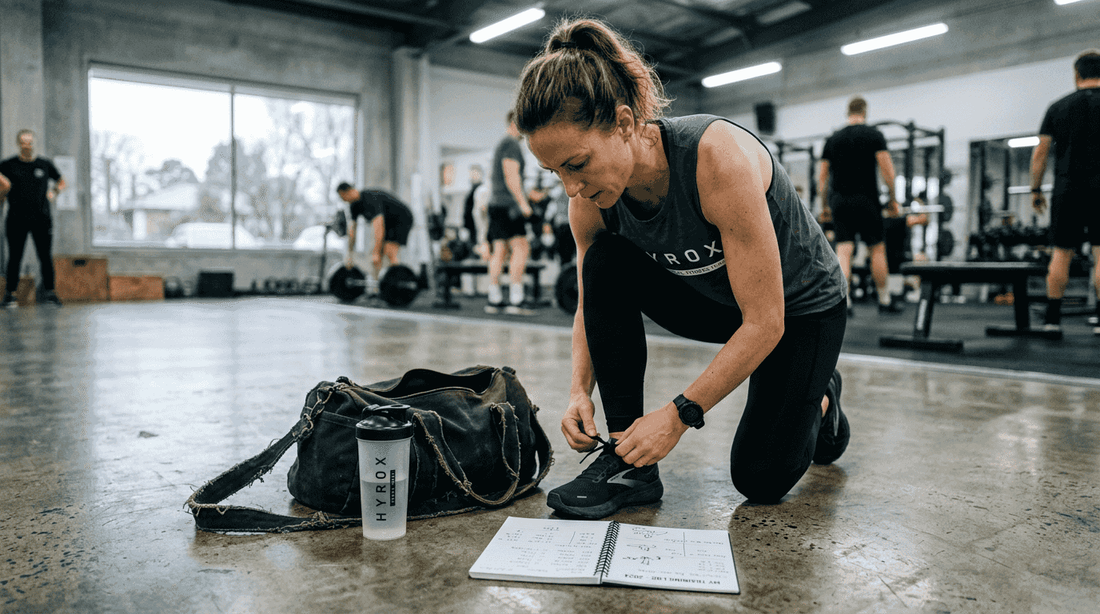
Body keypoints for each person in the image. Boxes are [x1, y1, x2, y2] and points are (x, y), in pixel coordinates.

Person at [513, 18, 849, 519]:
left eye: (577, 163)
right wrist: (578, 390)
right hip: (715, 301)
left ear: (625, 124)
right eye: (555, 170)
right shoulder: (589, 202)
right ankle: (630, 467)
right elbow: (592, 299)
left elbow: (766, 321)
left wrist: (677, 416)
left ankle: (821, 399)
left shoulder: (716, 158)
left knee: (759, 479)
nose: (569, 187)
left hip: (798, 311)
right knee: (603, 261)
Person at [1030, 49, 1100, 337]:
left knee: (1060, 254)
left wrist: (1035, 188)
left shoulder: (1057, 106)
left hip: (1067, 187)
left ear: (1076, 74)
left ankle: (1052, 319)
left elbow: (1041, 153)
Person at [819, 96, 903, 315]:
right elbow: (888, 172)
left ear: (847, 112)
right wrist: (893, 200)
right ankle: (884, 300)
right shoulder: (874, 135)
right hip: (868, 200)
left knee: (844, 250)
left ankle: (845, 302)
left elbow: (821, 179)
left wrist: (824, 205)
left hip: (840, 201)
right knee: (877, 248)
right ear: (865, 111)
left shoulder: (833, 139)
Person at [0, 129, 65, 307]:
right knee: (14, 257)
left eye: (29, 141)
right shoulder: (8, 165)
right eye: (23, 142)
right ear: (18, 143)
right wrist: (3, 189)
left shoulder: (44, 164)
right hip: (16, 219)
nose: (26, 145)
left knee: (45, 256)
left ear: (33, 143)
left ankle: (50, 293)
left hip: (41, 219)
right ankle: (10, 295)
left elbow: (61, 180)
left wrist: (54, 192)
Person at [485, 112, 539, 315]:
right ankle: (516, 300)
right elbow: (511, 177)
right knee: (521, 247)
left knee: (500, 251)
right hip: (508, 206)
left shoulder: (503, 144)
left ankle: (495, 299)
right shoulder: (511, 144)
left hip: (497, 204)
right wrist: (524, 206)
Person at [336, 183, 414, 280]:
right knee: (377, 256)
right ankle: (377, 288)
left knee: (389, 251)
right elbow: (352, 231)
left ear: (345, 192)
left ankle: (397, 284)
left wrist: (376, 251)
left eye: (341, 196)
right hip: (388, 223)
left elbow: (379, 227)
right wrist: (349, 253)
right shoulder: (354, 206)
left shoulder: (369, 199)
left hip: (401, 219)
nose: (342, 200)